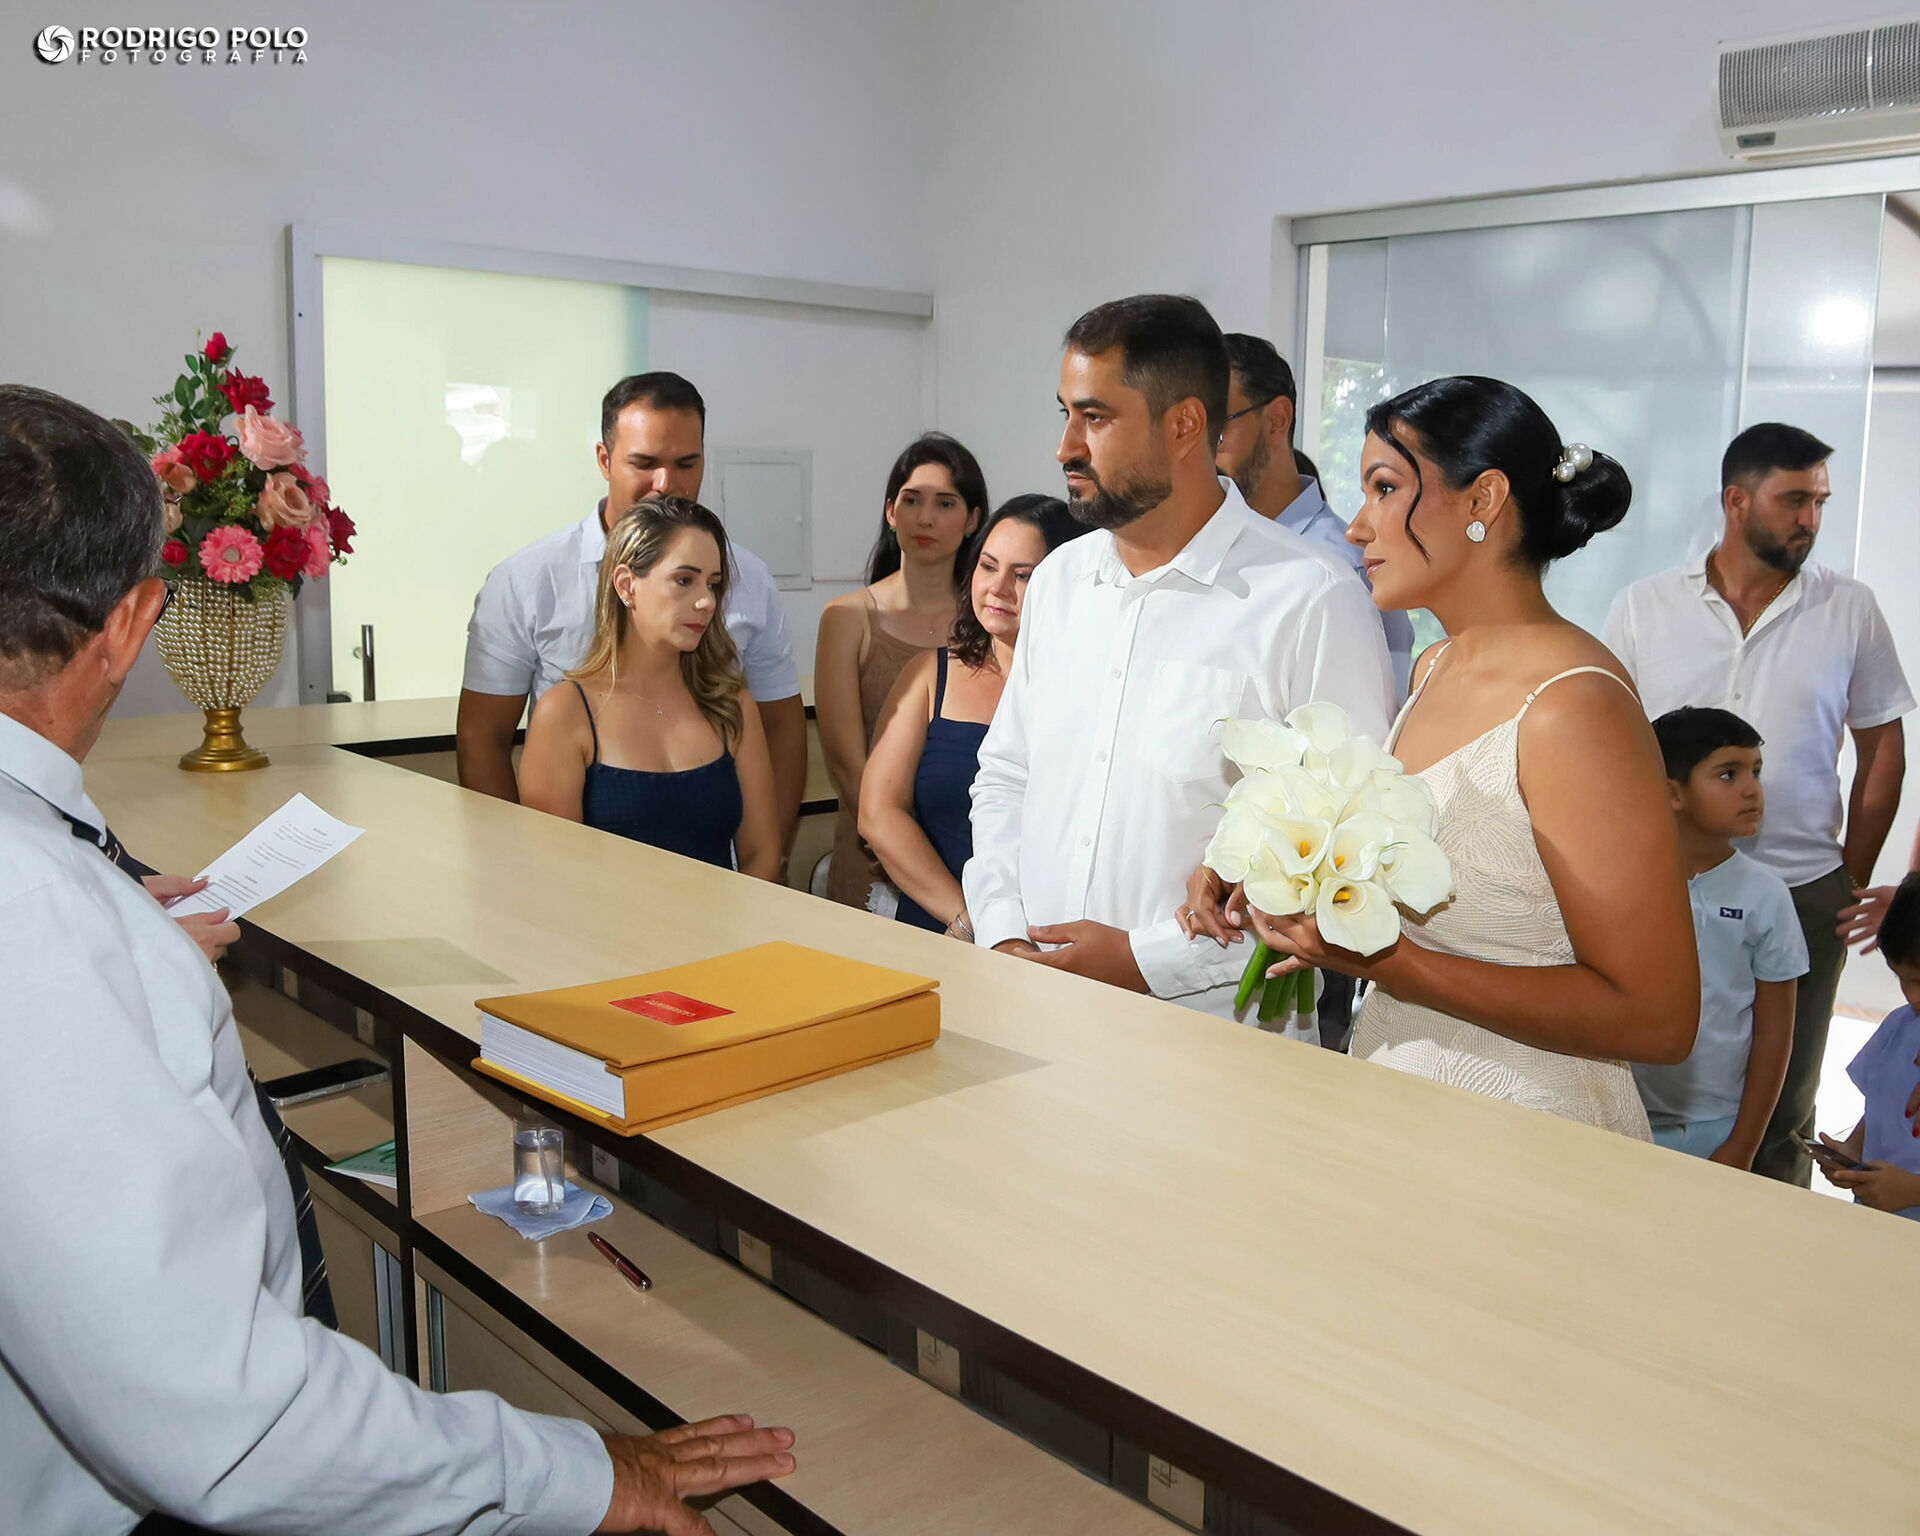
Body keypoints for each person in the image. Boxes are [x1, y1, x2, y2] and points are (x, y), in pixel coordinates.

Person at [0, 385, 795, 1536]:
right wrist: (583, 1475)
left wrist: (124, 929)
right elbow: (227, 1415)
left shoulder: (54, 899)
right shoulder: (38, 919)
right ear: (133, 623)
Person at [1228, 376, 1698, 1134]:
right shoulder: (1434, 667)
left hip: (1527, 1136)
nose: (1357, 527)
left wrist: (1388, 963)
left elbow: (1658, 1018)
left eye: (1385, 488)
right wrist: (1285, 877)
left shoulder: (1574, 707)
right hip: (1395, 1102)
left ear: (1483, 499)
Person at [964, 295, 1395, 1039]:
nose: (1065, 447)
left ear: (1185, 424)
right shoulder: (1061, 580)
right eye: (1066, 414)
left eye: (1095, 418)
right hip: (1032, 1013)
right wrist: (1004, 932)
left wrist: (1144, 962)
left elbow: (1346, 855)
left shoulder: (1310, 597)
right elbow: (1007, 776)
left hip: (1212, 1042)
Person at [1603, 423, 1913, 1181]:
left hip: (1806, 889)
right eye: (1794, 499)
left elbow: (1883, 750)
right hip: (1664, 887)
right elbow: (1609, 748)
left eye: (1821, 502)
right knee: (1639, 1079)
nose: (1811, 518)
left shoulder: (1850, 608)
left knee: (1784, 1106)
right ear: (1737, 501)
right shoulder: (1645, 607)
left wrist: (1850, 876)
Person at [457, 373, 808, 849]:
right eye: (644, 463)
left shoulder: (751, 578)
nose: (666, 484)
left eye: (686, 463)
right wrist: (511, 865)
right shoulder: (525, 581)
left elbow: (782, 726)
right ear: (605, 459)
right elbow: (482, 738)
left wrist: (769, 861)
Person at [519, 496, 781, 880]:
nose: (706, 601)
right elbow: (554, 877)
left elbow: (763, 855)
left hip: (725, 917)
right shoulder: (565, 713)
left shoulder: (732, 706)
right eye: (684, 580)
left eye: (713, 584)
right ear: (627, 585)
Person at [859, 494, 1085, 935]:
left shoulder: (1092, 693)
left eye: (1023, 575)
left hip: (1049, 938)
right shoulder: (930, 674)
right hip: (938, 927)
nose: (998, 588)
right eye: (988, 566)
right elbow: (878, 813)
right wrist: (968, 919)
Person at [815, 433, 986, 913]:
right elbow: (847, 764)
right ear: (890, 512)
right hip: (872, 860)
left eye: (945, 503)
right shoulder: (848, 617)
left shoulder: (989, 620)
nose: (925, 518)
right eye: (911, 501)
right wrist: (898, 844)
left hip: (968, 858)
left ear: (973, 519)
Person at [1632, 708, 1806, 1167]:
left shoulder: (1767, 894)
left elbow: (1775, 1033)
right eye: (1728, 774)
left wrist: (1744, 1144)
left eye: (1756, 772)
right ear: (1673, 792)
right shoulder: (1624, 879)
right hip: (1620, 1111)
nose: (1752, 789)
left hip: (1716, 1125)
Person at [1216, 333, 1415, 692]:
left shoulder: (1348, 568)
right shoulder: (1202, 551)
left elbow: (1379, 714)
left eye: (1217, 427)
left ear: (1277, 419)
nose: (1199, 449)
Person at [1815, 872, 1920, 1219]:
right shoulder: (1900, 1025)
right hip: (1875, 1223)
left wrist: (1911, 1190)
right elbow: (1882, 1101)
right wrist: (1852, 1152)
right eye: (1901, 978)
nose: (1912, 996)